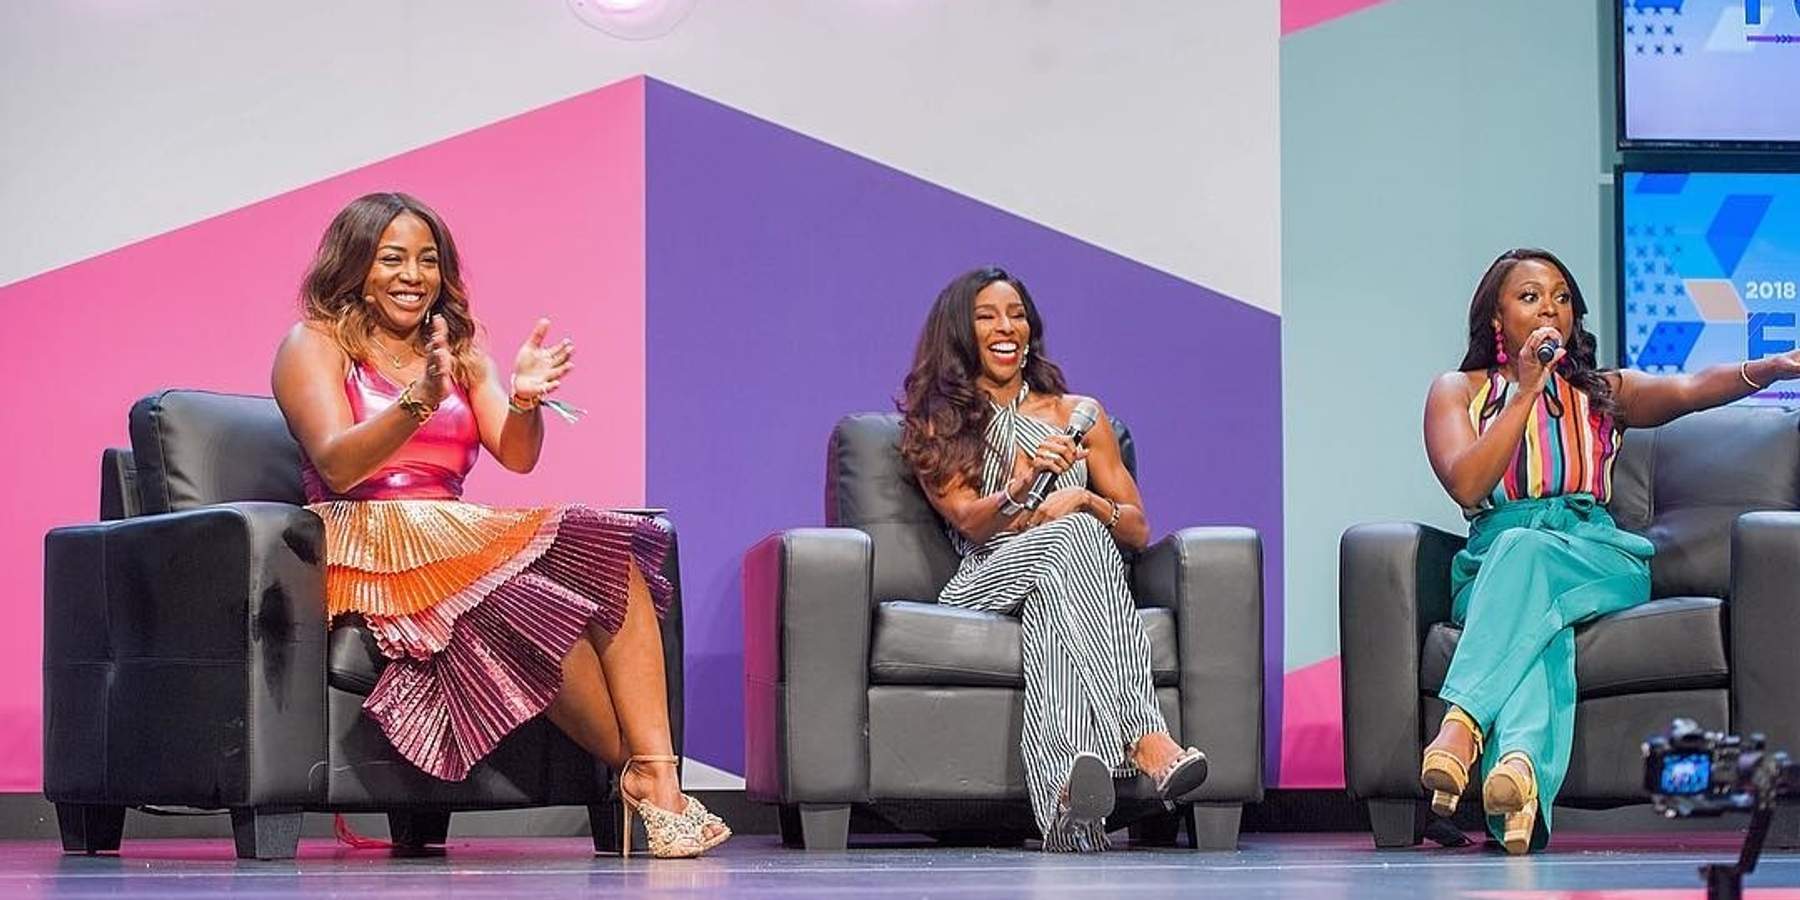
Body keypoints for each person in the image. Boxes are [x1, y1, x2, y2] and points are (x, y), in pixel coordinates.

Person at [270, 192, 728, 858]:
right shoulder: (313, 343)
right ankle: (640, 779)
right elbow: (338, 464)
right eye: (392, 258)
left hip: (458, 532)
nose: (412, 275)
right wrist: (415, 403)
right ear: (357, 267)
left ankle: (654, 776)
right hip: (371, 542)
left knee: (612, 555)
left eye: (427, 260)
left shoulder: (458, 349)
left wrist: (522, 401)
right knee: (526, 598)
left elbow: (516, 453)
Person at [1419, 247, 1800, 854]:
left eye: (1562, 297)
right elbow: (1467, 484)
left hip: (1595, 552)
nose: (1551, 307)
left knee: (1533, 563)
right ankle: (1516, 782)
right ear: (1497, 319)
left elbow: (1691, 387)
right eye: (1531, 296)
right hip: (1498, 557)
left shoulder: (1604, 392)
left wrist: (1771, 368)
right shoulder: (1457, 392)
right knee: (1537, 617)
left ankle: (1461, 724)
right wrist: (1523, 392)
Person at [897, 266, 1208, 852]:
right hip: (985, 579)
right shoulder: (940, 422)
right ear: (960, 333)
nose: (1005, 326)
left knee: (1070, 562)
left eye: (1016, 314)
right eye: (986, 316)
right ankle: (1145, 737)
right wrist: (1025, 480)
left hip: (1068, 580)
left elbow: (1137, 529)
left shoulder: (1079, 415)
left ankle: (1068, 809)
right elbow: (968, 518)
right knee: (1074, 539)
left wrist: (1086, 497)